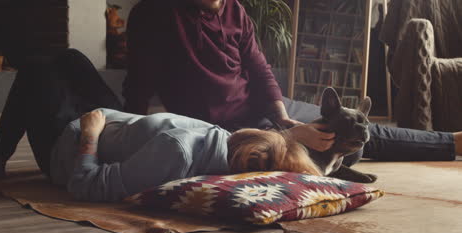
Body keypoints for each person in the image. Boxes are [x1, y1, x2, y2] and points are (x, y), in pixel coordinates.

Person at [122, 0, 462, 162]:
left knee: (350, 127)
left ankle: (454, 142)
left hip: (262, 109)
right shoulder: (154, 15)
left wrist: (283, 116)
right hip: (220, 128)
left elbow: (260, 71)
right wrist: (129, 137)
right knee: (322, 142)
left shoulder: (235, 11)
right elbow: (138, 86)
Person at [0, 49, 321, 202]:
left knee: (36, 65)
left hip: (66, 145)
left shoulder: (178, 150)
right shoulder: (224, 143)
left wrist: (90, 136)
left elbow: (87, 185)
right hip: (116, 122)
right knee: (71, 59)